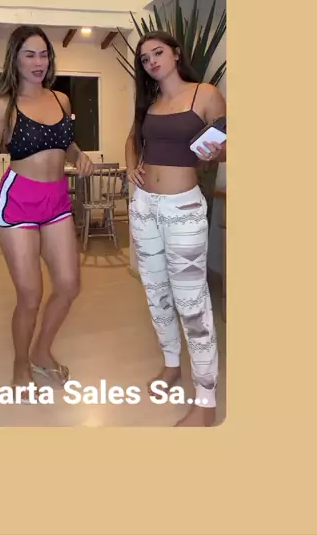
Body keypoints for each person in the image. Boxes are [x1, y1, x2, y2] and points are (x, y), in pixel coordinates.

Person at [0, 25, 93, 401]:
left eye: (43, 54)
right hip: (19, 201)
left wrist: (79, 155)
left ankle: (41, 351)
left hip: (57, 200)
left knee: (69, 286)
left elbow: (67, 142)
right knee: (30, 294)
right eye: (29, 54)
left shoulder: (61, 100)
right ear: (14, 58)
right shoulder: (2, 105)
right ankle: (20, 364)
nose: (38, 61)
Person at [125, 30, 226, 427]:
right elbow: (132, 139)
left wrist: (219, 150)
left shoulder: (205, 94)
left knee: (192, 304)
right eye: (145, 57)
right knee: (156, 294)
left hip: (183, 208)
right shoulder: (149, 103)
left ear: (176, 54)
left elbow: (229, 143)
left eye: (158, 52)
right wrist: (132, 166)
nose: (151, 61)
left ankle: (206, 402)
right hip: (144, 207)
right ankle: (171, 365)